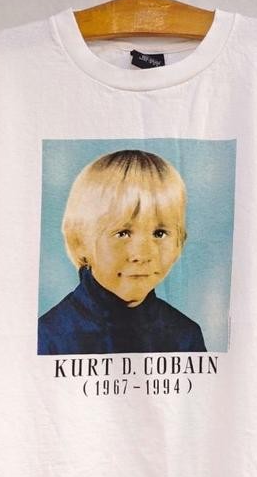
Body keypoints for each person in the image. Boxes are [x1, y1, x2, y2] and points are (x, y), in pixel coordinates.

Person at [38, 149, 207, 355]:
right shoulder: (49, 337)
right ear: (80, 241)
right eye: (123, 233)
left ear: (180, 242)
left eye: (160, 233)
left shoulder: (185, 336)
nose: (142, 255)